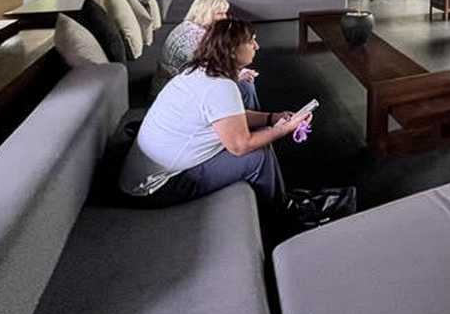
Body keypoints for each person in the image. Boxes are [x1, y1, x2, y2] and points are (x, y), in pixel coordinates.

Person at [119, 19, 309, 215]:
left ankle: (281, 200)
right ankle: (278, 215)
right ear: (232, 50)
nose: (256, 46)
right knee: (258, 158)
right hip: (155, 186)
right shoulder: (220, 86)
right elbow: (240, 146)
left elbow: (230, 116)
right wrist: (284, 129)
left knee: (262, 136)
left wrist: (272, 118)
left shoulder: (199, 71)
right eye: (251, 41)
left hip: (142, 174)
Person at [148, 0, 260, 106]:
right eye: (220, 14)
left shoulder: (190, 27)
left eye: (225, 13)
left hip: (180, 84)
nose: (225, 18)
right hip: (172, 94)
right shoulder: (194, 38)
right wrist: (237, 77)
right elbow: (206, 77)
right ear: (206, 14)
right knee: (246, 87)